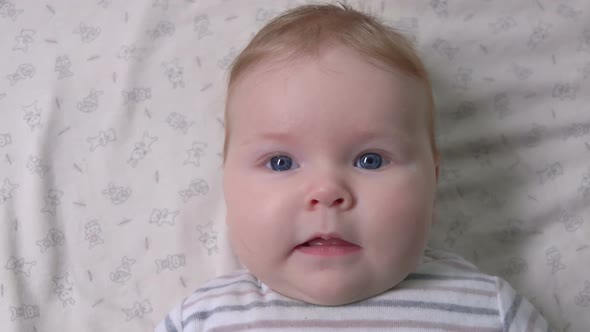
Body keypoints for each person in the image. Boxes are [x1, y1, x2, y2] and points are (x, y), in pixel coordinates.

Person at [157, 3, 551, 331]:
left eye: (371, 160)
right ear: (227, 187)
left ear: (433, 185)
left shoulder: (490, 309)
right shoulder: (204, 318)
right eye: (280, 162)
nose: (327, 190)